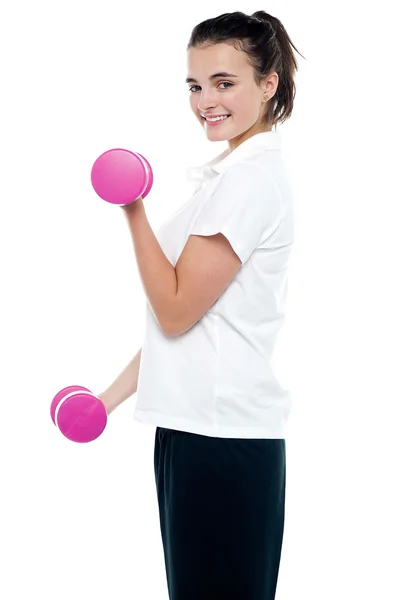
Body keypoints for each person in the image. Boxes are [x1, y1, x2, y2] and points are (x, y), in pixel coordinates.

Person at [99, 10, 305, 600]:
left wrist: (131, 207)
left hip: (222, 441)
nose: (205, 101)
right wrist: (106, 401)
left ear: (268, 84)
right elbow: (184, 330)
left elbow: (175, 310)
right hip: (193, 432)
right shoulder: (230, 176)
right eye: (195, 85)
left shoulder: (250, 181)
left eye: (224, 83)